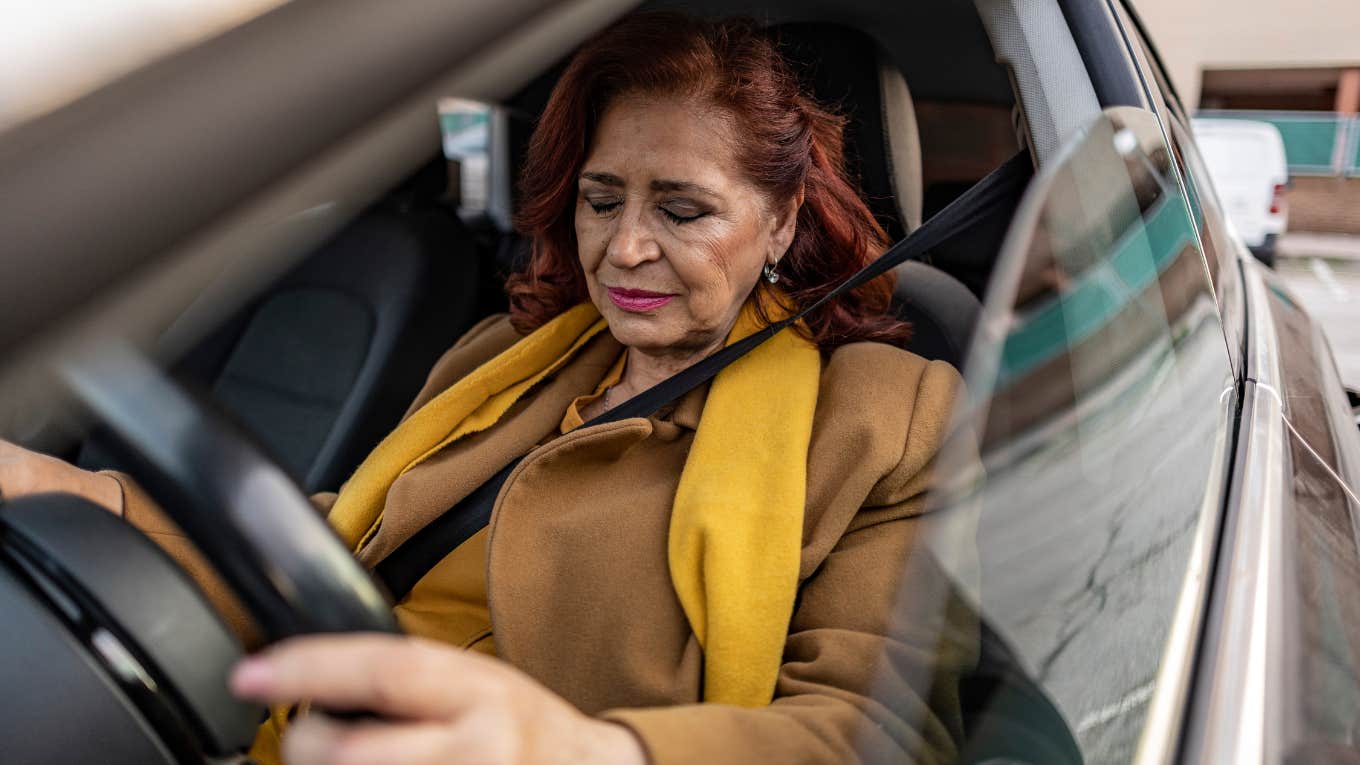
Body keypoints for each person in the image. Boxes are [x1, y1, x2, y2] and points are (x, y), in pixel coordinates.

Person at [0, 13, 975, 765]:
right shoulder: (511, 358)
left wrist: (584, 750)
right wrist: (76, 494)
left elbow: (878, 728)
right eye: (602, 200)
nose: (625, 247)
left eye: (682, 210)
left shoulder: (888, 420)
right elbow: (340, 550)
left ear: (779, 220)